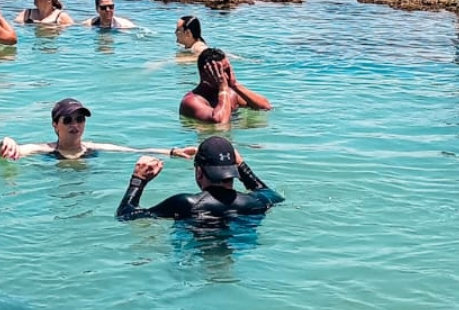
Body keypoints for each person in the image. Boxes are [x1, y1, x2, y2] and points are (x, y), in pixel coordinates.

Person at [116, 136, 282, 222]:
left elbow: (125, 215)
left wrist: (138, 180)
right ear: (233, 170)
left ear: (199, 172)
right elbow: (270, 193)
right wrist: (243, 166)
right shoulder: (256, 202)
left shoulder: (185, 204)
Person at [0, 97, 195, 162]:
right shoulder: (45, 150)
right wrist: (7, 141)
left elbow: (133, 151)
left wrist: (172, 151)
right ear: (55, 125)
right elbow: (17, 149)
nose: (75, 125)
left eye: (80, 119)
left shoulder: (93, 148)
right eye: (67, 120)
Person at [179, 48, 272, 122]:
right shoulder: (191, 101)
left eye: (228, 70)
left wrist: (235, 85)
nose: (227, 76)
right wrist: (222, 89)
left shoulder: (231, 93)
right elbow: (220, 122)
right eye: (221, 71)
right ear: (205, 74)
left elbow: (265, 107)